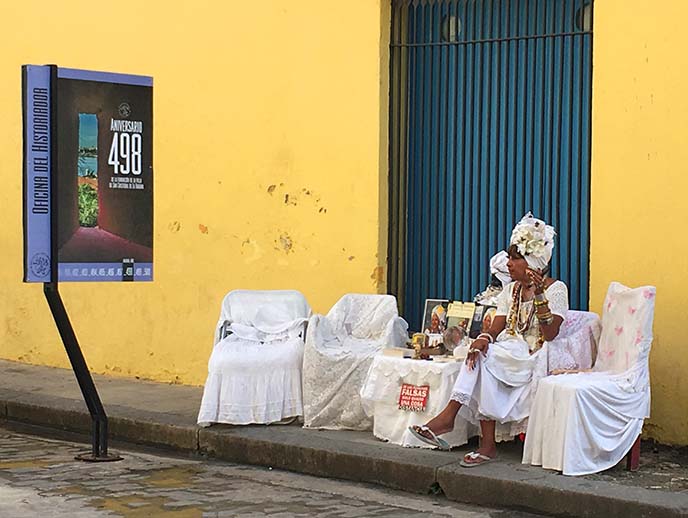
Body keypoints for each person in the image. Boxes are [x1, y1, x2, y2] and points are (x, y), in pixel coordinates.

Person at [409, 213, 568, 466]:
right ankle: (478, 440)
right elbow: (498, 324)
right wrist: (483, 337)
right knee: (479, 353)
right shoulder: (510, 290)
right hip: (508, 351)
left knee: (485, 357)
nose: (508, 264)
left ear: (532, 262)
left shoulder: (556, 289)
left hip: (533, 355)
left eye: (515, 259)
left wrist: (539, 296)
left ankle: (459, 425)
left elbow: (550, 334)